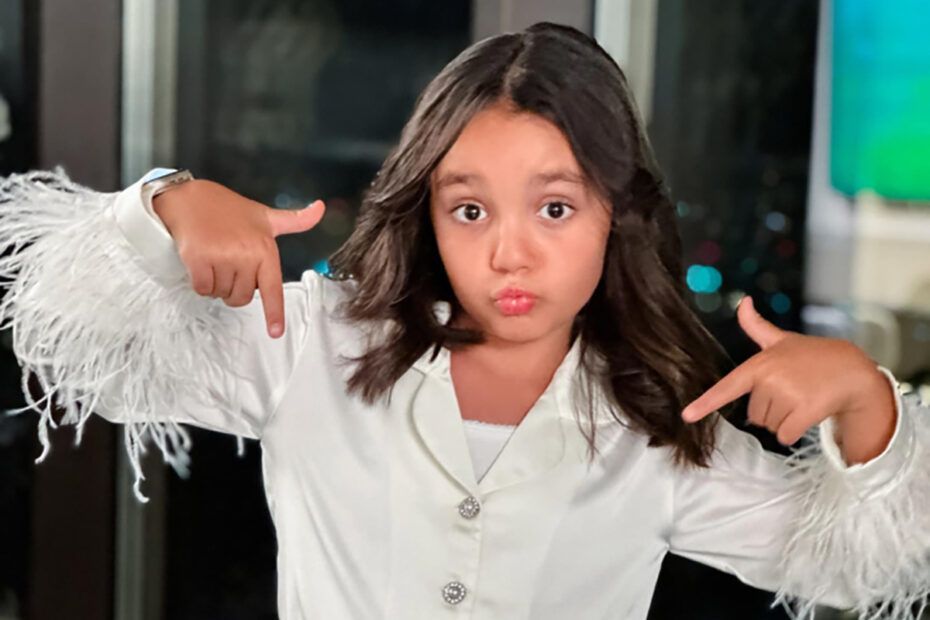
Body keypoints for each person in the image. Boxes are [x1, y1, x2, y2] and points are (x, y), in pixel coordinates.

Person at [0, 21, 928, 620]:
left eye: (554, 208)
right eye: (470, 210)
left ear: (616, 212)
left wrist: (867, 407)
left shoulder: (660, 428)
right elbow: (77, 352)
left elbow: (861, 569)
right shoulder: (314, 345)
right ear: (427, 213)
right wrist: (160, 209)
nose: (509, 254)